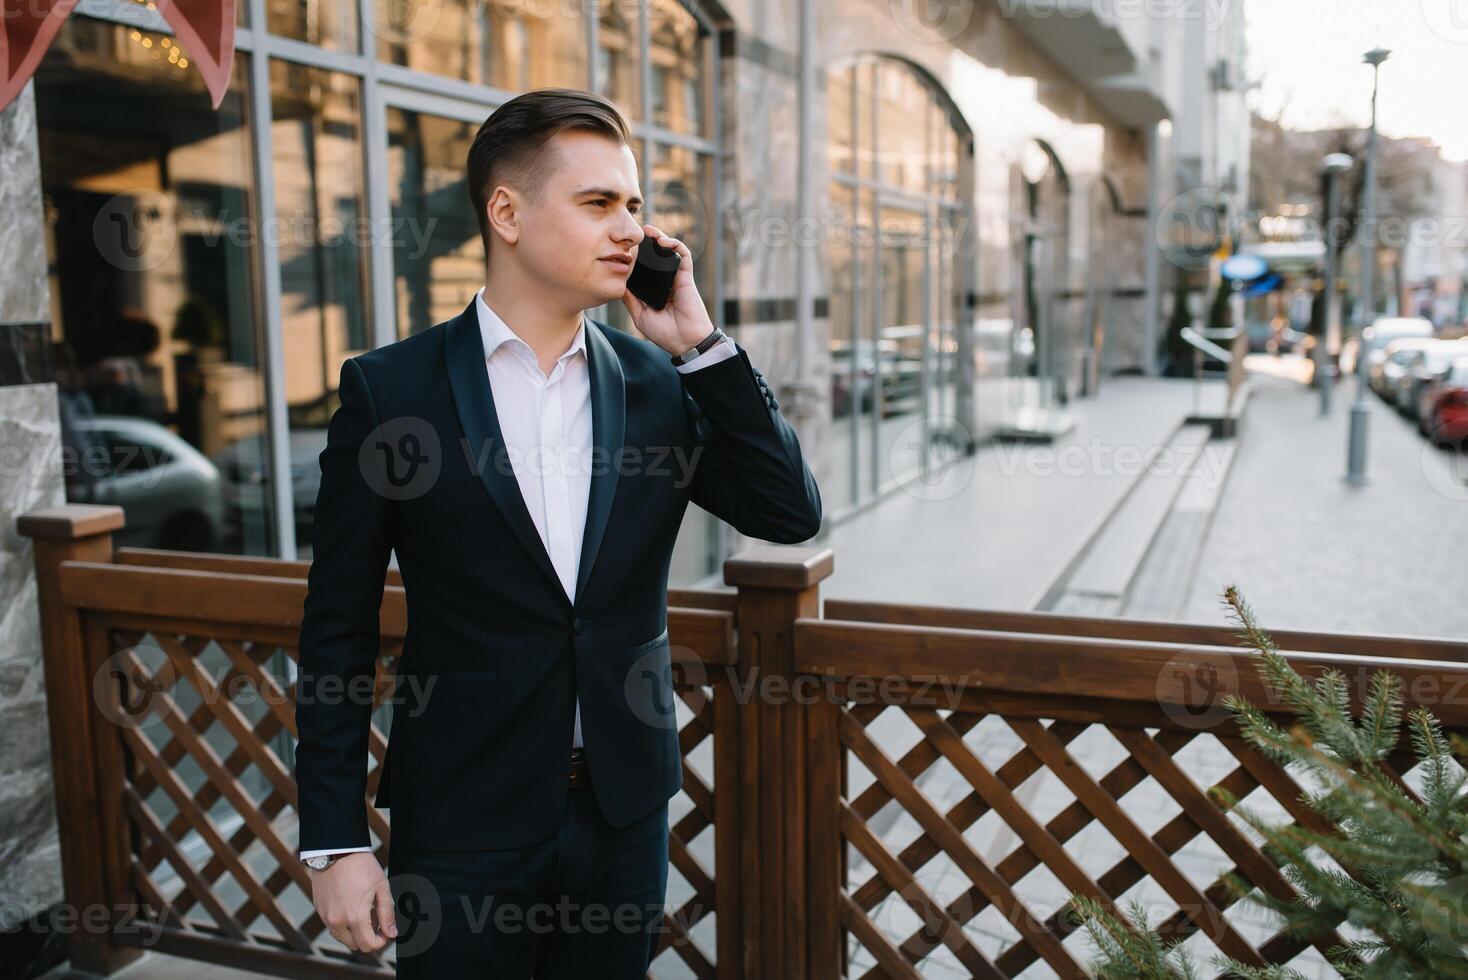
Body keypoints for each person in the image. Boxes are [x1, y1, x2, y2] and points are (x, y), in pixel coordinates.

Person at [292, 87, 822, 978]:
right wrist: (334, 841)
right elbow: (337, 628)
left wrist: (699, 344)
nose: (634, 231)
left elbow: (786, 510)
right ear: (506, 212)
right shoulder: (393, 391)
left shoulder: (659, 384)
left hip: (621, 816)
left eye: (636, 205)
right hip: (459, 824)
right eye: (598, 204)